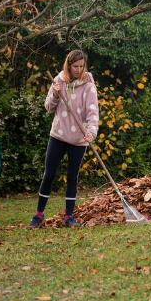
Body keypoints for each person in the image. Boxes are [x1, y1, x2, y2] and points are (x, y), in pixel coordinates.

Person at [29, 50, 99, 228]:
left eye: (81, 66)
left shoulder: (89, 86)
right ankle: (38, 215)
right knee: (49, 174)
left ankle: (69, 216)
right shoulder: (59, 81)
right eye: (75, 66)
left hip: (79, 140)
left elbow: (93, 113)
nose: (79, 69)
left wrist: (91, 132)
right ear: (68, 65)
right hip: (58, 135)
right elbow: (48, 107)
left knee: (72, 177)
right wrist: (54, 93)